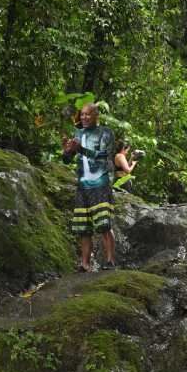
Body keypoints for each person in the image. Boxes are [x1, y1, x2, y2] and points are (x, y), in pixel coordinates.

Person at [62, 103, 134, 272]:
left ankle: (110, 261)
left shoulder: (105, 132)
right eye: (82, 114)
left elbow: (104, 155)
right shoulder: (78, 133)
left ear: (96, 116)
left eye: (88, 114)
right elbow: (67, 160)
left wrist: (82, 150)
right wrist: (66, 151)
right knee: (83, 228)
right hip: (83, 186)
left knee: (104, 224)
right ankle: (85, 264)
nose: (84, 117)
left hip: (100, 183)